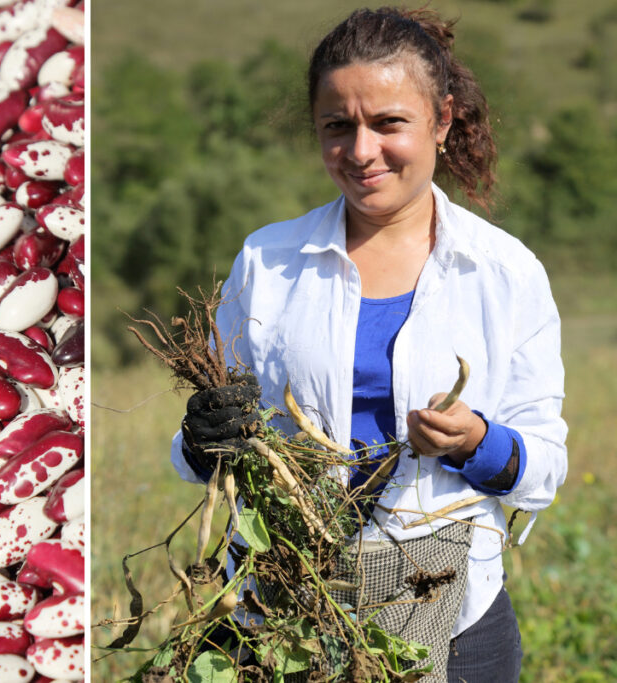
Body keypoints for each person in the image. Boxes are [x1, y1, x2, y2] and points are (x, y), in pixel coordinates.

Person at [171, 7, 567, 682]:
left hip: (451, 610)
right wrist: (201, 439)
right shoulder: (268, 262)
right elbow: (202, 454)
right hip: (282, 609)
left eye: (388, 123)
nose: (360, 151)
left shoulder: (505, 273)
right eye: (337, 127)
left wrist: (476, 441)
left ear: (441, 120)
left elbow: (545, 467)